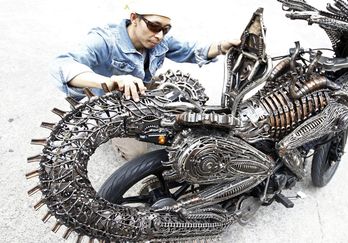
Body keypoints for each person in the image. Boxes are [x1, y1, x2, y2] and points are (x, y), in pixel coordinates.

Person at [50, 1, 240, 160]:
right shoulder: (105, 39)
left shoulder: (159, 39)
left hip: (140, 90)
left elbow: (190, 50)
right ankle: (108, 132)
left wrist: (222, 47)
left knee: (187, 107)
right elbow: (63, 64)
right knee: (137, 153)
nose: (159, 35)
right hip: (110, 104)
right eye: (154, 26)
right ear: (134, 18)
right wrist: (109, 81)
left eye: (165, 29)